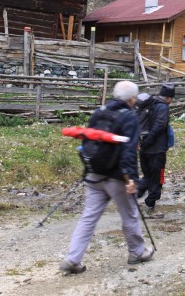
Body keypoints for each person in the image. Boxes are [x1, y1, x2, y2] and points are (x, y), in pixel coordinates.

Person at [61, 80, 154, 274]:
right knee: (129, 215)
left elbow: (89, 139)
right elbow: (128, 150)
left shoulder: (99, 112)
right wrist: (131, 179)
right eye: (134, 98)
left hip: (94, 172)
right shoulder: (129, 117)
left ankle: (72, 259)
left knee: (88, 218)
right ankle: (137, 252)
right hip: (117, 176)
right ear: (131, 99)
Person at [137, 83, 174, 219]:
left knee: (147, 176)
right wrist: (147, 142)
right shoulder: (163, 107)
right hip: (156, 150)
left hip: (143, 148)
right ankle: (150, 207)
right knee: (157, 178)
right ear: (169, 97)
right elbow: (159, 125)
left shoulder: (149, 104)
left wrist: (142, 143)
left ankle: (134, 196)